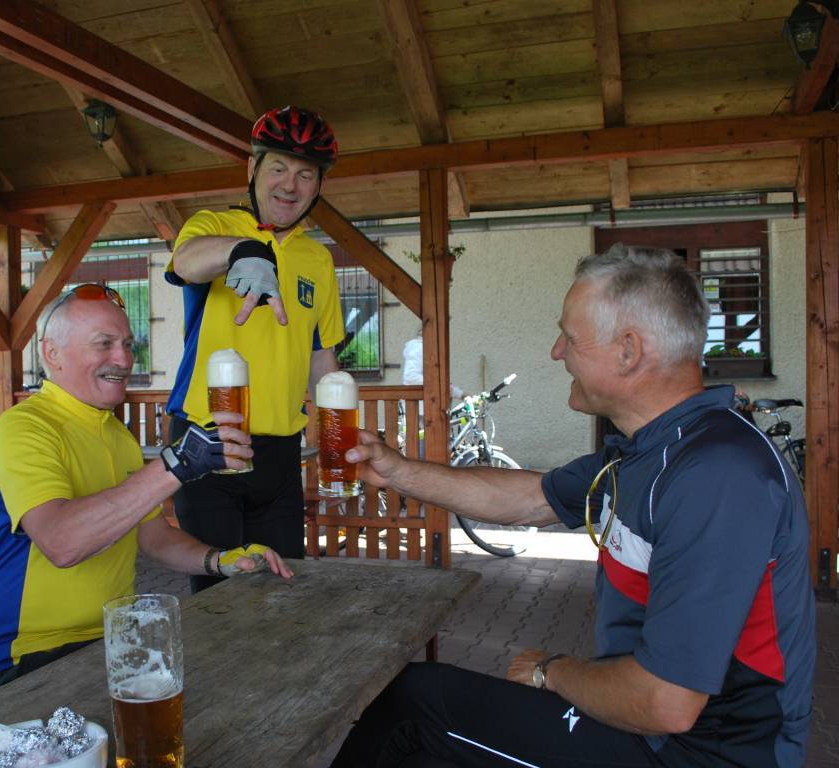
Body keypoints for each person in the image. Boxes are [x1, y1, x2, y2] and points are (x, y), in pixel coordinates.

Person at [331, 245, 815, 767]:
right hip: (651, 734)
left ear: (628, 351)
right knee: (426, 727)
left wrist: (553, 671)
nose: (556, 351)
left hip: (698, 754)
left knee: (414, 709)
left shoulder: (717, 474)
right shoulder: (646, 452)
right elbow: (529, 497)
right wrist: (397, 471)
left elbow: (665, 703)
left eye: (570, 336)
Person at [0, 284, 293, 693]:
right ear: (52, 353)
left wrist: (222, 561)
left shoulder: (117, 435)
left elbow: (152, 537)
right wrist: (177, 463)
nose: (123, 359)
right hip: (28, 655)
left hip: (111, 639)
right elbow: (63, 544)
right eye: (104, 344)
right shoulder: (23, 428)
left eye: (128, 345)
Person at [164, 105, 345, 592]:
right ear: (252, 169)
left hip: (280, 455)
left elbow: (321, 357)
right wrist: (240, 251)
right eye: (278, 168)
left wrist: (339, 438)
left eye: (305, 175)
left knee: (282, 594)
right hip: (207, 442)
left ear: (319, 185)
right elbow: (185, 262)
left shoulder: (317, 259)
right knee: (217, 599)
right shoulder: (210, 225)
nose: (290, 185)